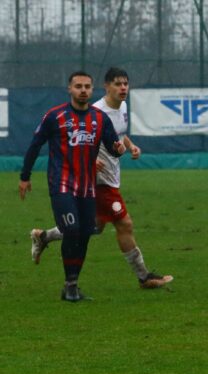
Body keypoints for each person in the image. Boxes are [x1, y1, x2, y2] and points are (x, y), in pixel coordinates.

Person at [29, 67, 173, 290]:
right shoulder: (95, 110)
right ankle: (145, 277)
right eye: (118, 84)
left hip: (112, 176)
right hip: (97, 181)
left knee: (93, 227)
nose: (123, 88)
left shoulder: (122, 107)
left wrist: (130, 146)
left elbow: (118, 135)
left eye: (126, 83)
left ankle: (44, 236)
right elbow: (80, 141)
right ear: (106, 86)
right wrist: (89, 160)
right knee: (124, 224)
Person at [19, 71, 126, 302]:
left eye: (87, 86)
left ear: (92, 88)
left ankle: (72, 286)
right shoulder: (55, 116)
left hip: (88, 186)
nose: (83, 90)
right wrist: (25, 176)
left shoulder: (99, 118)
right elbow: (35, 145)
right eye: (78, 86)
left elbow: (111, 145)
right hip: (62, 184)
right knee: (72, 230)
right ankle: (70, 288)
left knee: (87, 232)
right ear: (70, 89)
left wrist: (118, 150)